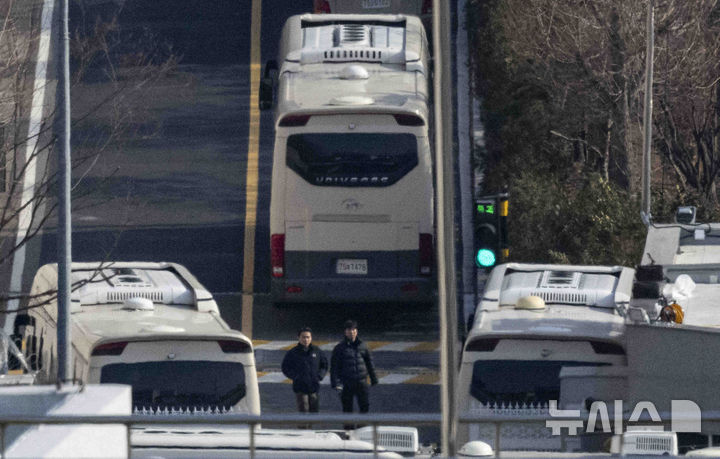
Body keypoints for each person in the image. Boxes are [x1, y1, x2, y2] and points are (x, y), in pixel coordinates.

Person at [330, 319, 378, 421]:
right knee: (347, 410)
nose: (351, 332)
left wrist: (374, 378)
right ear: (345, 332)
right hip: (347, 383)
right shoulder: (339, 348)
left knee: (364, 407)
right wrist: (335, 383)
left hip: (361, 382)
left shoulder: (363, 346)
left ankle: (362, 430)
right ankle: (349, 432)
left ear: (356, 331)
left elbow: (369, 363)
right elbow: (334, 367)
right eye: (349, 330)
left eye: (353, 330)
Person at [281, 327, 328, 413]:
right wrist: (295, 377)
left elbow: (324, 365)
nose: (306, 339)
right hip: (300, 387)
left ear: (311, 338)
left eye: (308, 337)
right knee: (303, 411)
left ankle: (311, 426)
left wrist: (320, 376)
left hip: (314, 387)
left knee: (314, 412)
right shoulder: (293, 352)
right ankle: (304, 427)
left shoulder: (317, 351)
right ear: (298, 338)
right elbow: (285, 367)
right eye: (303, 337)